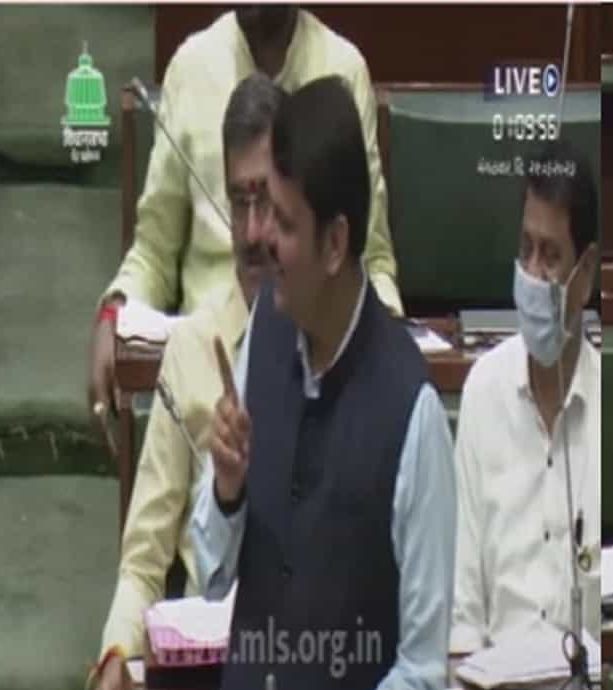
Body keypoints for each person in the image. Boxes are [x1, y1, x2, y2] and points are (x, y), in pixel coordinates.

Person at [191, 76, 453, 690]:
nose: (264, 239)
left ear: (335, 243)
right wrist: (227, 489)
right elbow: (211, 575)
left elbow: (422, 676)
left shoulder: (412, 412)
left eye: (284, 222)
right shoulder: (262, 335)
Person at [88, 5, 404, 437]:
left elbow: (373, 260)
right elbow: (153, 253)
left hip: (317, 370)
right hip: (209, 371)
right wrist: (114, 313)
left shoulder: (342, 70)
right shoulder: (192, 68)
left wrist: (384, 353)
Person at [88, 72, 284, 690]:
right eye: (239, 201)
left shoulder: (333, 345)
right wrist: (116, 652)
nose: (251, 231)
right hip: (210, 688)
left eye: (267, 201)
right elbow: (144, 558)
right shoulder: (194, 348)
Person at [451, 141, 600, 653]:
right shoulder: (483, 392)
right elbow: (461, 610)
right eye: (526, 249)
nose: (533, 274)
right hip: (493, 686)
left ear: (587, 273)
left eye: (551, 255)